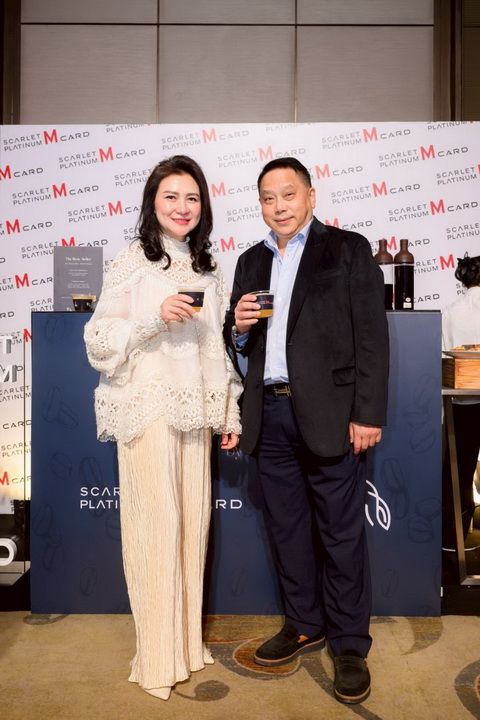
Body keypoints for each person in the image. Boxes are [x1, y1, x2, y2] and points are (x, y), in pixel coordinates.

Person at [224, 157, 389, 705]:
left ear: (311, 196)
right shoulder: (250, 260)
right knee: (288, 531)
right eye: (268, 198)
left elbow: (371, 337)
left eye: (289, 194)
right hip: (268, 415)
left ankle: (349, 645)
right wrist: (237, 328)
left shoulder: (347, 250)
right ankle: (303, 624)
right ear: (260, 205)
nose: (279, 206)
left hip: (332, 414)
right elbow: (238, 344)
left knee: (341, 534)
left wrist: (368, 413)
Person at [84, 155, 242, 700]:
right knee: (156, 529)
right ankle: (155, 658)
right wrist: (155, 317)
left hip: (193, 413)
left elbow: (215, 347)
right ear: (153, 202)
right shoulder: (133, 260)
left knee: (191, 528)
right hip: (147, 409)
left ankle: (184, 647)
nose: (182, 207)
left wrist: (228, 410)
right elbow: (99, 339)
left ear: (204, 206)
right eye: (171, 196)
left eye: (192, 197)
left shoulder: (208, 267)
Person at [442, 254, 480, 546]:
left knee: (460, 472)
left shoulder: (451, 311)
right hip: (464, 400)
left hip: (462, 403)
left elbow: (445, 357)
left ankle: (454, 540)